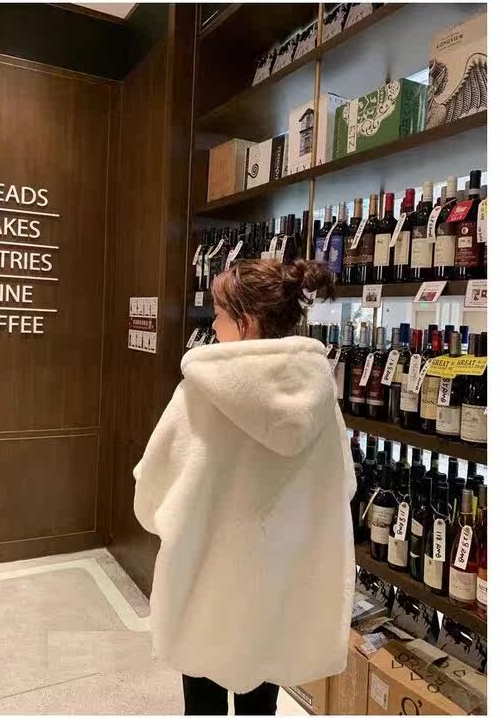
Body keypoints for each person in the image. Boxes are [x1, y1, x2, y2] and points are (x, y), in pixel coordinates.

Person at [133, 258, 357, 715]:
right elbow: (343, 487)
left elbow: (151, 494)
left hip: (206, 585)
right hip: (279, 585)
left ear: (246, 320)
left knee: (203, 703)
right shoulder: (319, 397)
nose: (213, 325)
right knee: (261, 701)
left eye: (218, 313)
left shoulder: (199, 393)